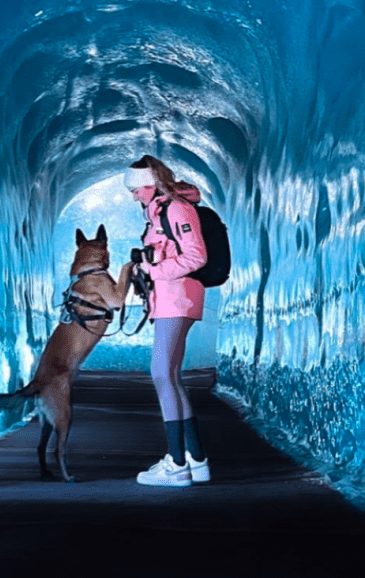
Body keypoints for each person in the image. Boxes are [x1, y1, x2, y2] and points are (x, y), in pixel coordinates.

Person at [124, 154, 210, 487]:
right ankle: (196, 460)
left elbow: (196, 255)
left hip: (178, 297)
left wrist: (153, 271)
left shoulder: (176, 209)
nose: (133, 196)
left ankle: (176, 465)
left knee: (161, 373)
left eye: (136, 189)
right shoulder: (159, 212)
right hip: (170, 299)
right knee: (170, 376)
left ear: (150, 184)